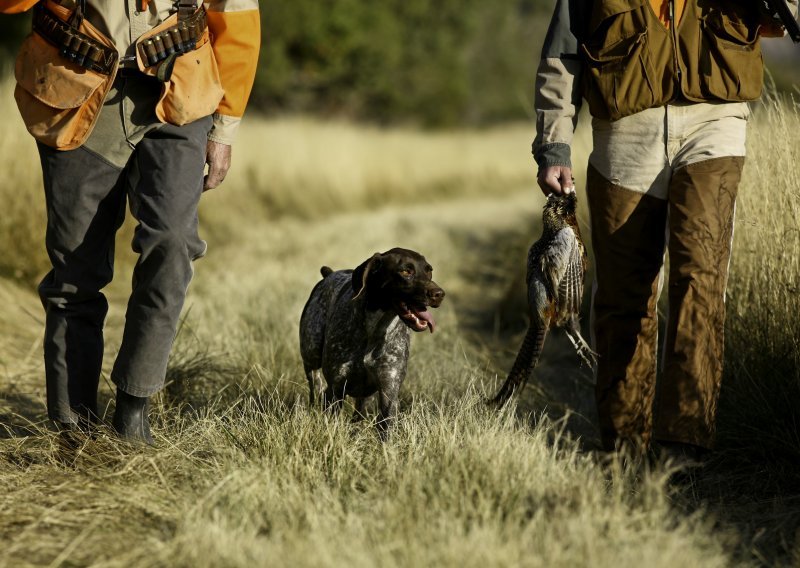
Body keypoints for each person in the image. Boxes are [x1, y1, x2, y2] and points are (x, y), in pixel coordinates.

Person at [532, 0, 797, 457]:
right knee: (622, 296)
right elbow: (563, 51)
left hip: (716, 122)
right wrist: (554, 145)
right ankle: (624, 443)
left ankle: (685, 444)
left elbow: (787, 15)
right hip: (624, 132)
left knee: (701, 279)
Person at [0, 0, 260, 443]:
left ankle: (134, 407)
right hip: (76, 88)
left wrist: (225, 128)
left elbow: (235, 14)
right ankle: (72, 427)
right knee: (75, 272)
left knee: (174, 243)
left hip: (180, 88)